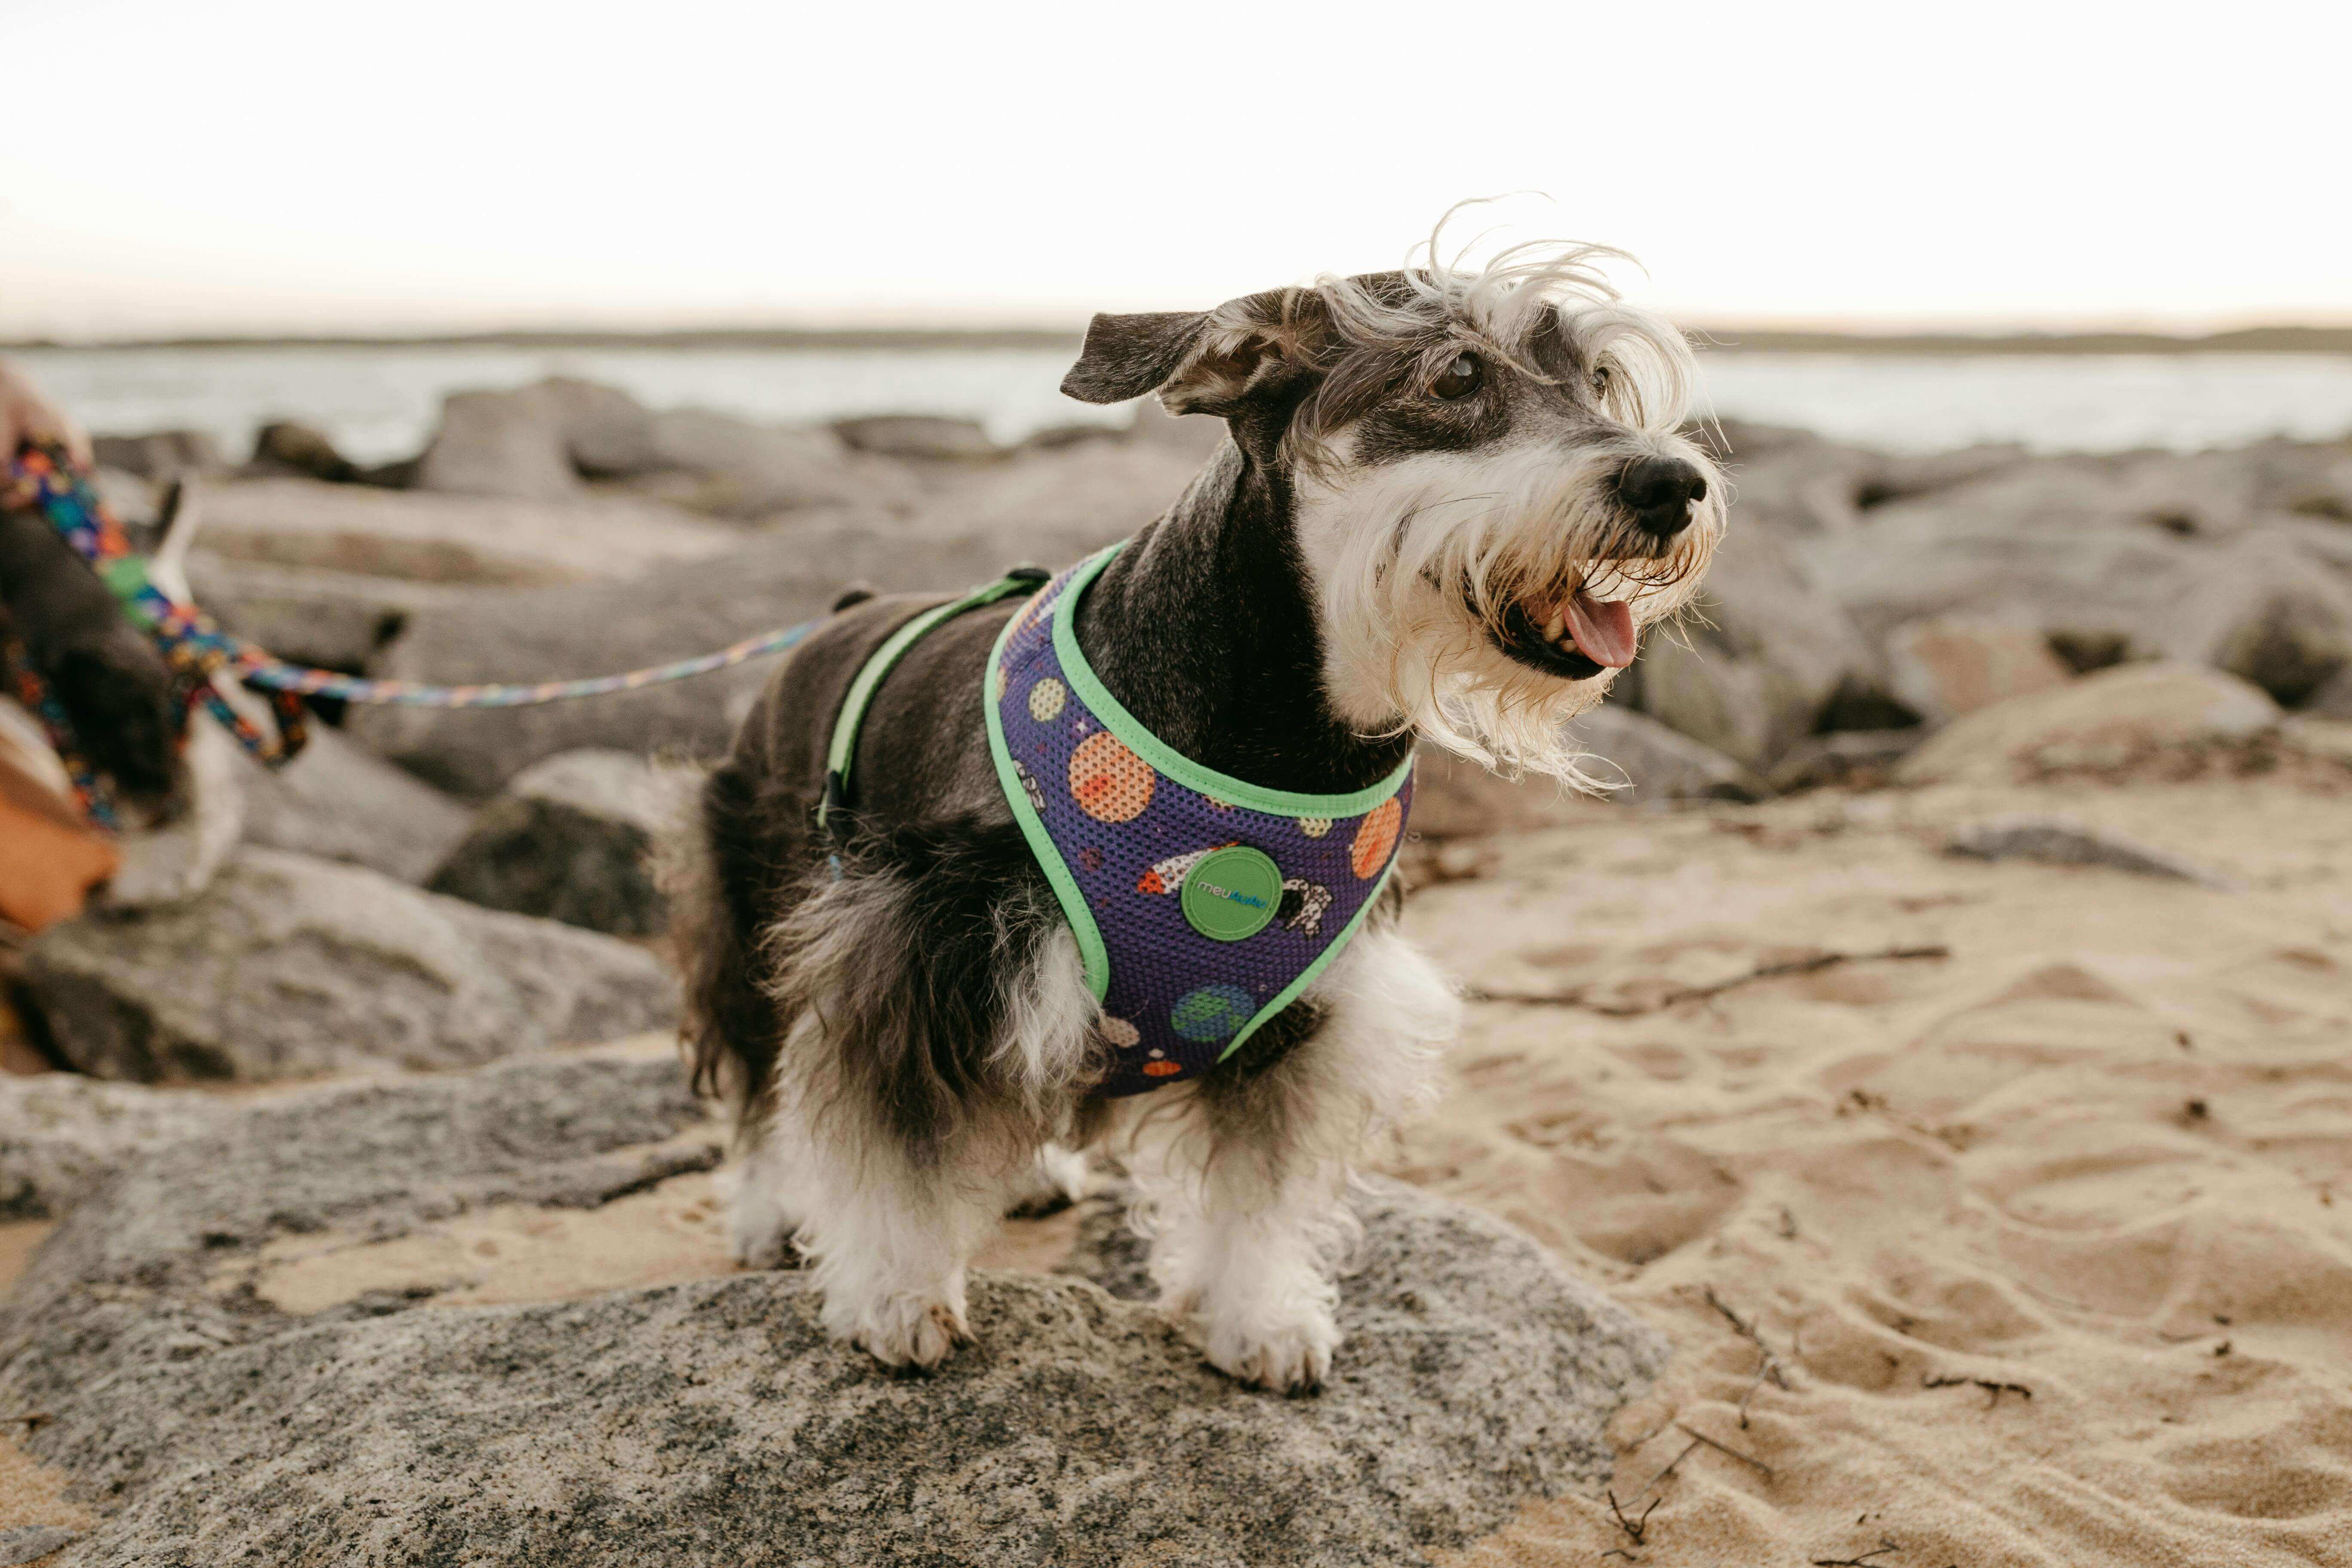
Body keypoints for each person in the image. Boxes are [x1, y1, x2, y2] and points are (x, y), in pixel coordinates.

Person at [0, 356, 92, 467]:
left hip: (60, 460)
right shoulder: (11, 371)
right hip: (73, 456)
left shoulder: (6, 381)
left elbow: (3, 450)